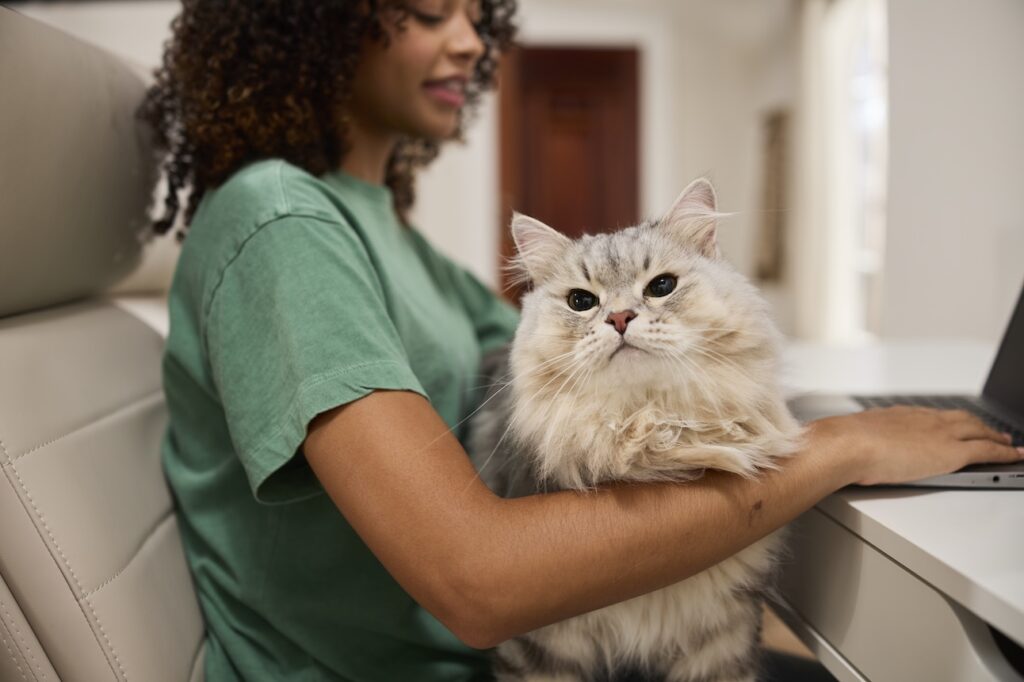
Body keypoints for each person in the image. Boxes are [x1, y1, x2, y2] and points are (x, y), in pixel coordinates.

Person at [140, 1, 1024, 680]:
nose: (469, 44)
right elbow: (477, 582)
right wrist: (835, 445)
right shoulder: (282, 224)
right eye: (425, 12)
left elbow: (568, 369)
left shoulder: (392, 237)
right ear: (309, 21)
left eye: (477, 19)